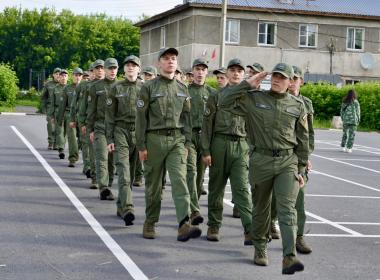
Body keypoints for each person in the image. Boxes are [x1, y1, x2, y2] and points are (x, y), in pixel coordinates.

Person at [218, 63, 309, 275]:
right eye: (274, 76)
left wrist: (302, 168)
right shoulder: (254, 99)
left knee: (287, 209)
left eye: (282, 78)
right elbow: (224, 102)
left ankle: (289, 256)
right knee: (261, 208)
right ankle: (260, 248)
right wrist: (246, 84)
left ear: (290, 82)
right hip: (261, 161)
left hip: (288, 162)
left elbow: (303, 139)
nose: (277, 80)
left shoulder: (297, 105)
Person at [135, 47, 202, 242]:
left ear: (177, 63)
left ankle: (184, 225)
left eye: (173, 58)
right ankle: (150, 221)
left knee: (180, 181)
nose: (170, 61)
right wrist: (141, 146)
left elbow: (187, 118)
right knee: (154, 186)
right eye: (166, 58)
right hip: (153, 140)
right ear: (159, 63)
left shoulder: (183, 89)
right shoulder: (148, 87)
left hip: (177, 141)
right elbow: (141, 119)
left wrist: (187, 143)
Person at [201, 58, 253, 245]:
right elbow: (207, 124)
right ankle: (213, 226)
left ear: (244, 74)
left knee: (241, 189)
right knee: (216, 188)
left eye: (240, 70)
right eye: (232, 70)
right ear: (227, 73)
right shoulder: (216, 96)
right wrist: (206, 150)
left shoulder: (251, 97)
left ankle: (249, 229)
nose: (236, 73)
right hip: (219, 143)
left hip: (241, 145)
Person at [106, 55, 143, 225]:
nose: (130, 68)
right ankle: (128, 207)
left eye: (134, 65)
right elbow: (109, 116)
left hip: (138, 133)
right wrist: (110, 138)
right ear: (124, 69)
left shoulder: (145, 88)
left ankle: (121, 205)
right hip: (120, 130)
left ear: (138, 69)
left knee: (133, 171)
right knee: (123, 170)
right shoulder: (116, 88)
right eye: (128, 65)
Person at [186, 58, 215, 225]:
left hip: (205, 138)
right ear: (192, 72)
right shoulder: (185, 91)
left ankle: (192, 205)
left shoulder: (212, 93)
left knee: (200, 176)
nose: (200, 72)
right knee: (191, 172)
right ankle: (194, 210)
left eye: (203, 69)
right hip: (189, 136)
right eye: (197, 69)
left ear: (206, 72)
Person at [87, 58, 118, 200]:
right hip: (100, 127)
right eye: (109, 68)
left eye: (114, 68)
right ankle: (103, 187)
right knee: (102, 157)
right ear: (104, 70)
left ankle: (108, 183)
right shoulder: (96, 87)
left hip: (116, 129)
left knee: (112, 160)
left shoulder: (121, 86)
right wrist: (90, 130)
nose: (112, 71)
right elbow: (91, 110)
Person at [78, 61, 104, 189]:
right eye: (97, 69)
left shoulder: (115, 85)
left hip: (111, 125)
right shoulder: (89, 87)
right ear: (92, 71)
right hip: (94, 123)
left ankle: (105, 179)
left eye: (102, 68)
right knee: (94, 151)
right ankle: (94, 178)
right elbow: (83, 106)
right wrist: (83, 123)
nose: (100, 71)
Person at [57, 67, 83, 167]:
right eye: (76, 75)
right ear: (72, 76)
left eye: (79, 75)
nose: (77, 77)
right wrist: (59, 120)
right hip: (69, 115)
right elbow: (62, 105)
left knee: (83, 139)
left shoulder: (86, 87)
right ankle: (72, 158)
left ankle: (86, 160)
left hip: (82, 116)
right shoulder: (67, 88)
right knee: (72, 138)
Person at [70, 67, 93, 177]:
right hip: (84, 119)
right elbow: (74, 104)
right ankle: (87, 166)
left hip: (99, 121)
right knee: (85, 143)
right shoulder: (82, 86)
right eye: (91, 71)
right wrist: (73, 119)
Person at [49, 69, 69, 159]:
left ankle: (62, 146)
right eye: (62, 76)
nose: (63, 78)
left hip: (68, 112)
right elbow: (52, 103)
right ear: (59, 77)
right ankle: (61, 149)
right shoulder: (55, 89)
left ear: (67, 78)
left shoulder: (70, 88)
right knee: (59, 131)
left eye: (65, 76)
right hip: (58, 112)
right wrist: (51, 115)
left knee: (65, 133)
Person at [41, 67, 60, 150]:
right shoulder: (48, 84)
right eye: (56, 74)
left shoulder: (64, 84)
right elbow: (43, 97)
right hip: (50, 108)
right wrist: (44, 108)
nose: (58, 75)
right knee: (50, 125)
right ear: (53, 75)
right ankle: (51, 142)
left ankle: (57, 143)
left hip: (60, 109)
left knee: (59, 126)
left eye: (59, 74)